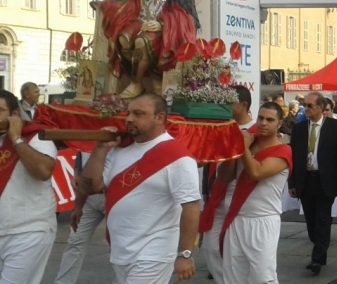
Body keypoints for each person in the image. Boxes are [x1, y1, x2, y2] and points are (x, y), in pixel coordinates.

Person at [80, 94, 201, 282]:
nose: (129, 119)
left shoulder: (178, 156)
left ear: (159, 118)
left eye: (138, 114)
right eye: (128, 113)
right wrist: (100, 149)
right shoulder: (119, 149)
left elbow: (191, 206)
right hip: (121, 250)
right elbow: (91, 186)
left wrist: (185, 254)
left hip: (154, 253)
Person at [199, 102, 292, 283]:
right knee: (233, 274)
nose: (264, 123)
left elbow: (256, 173)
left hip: (262, 220)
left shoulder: (283, 150)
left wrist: (242, 148)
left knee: (263, 277)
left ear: (279, 123)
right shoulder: (248, 145)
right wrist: (233, 152)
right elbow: (224, 178)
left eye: (270, 120)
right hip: (236, 217)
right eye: (261, 118)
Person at [288, 92, 337, 275]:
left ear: (320, 108)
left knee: (322, 220)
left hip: (326, 181)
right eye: (304, 105)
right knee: (311, 222)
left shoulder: (335, 127)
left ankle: (317, 259)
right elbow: (293, 157)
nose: (305, 109)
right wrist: (292, 182)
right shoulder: (299, 128)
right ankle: (320, 248)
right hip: (305, 181)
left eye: (309, 105)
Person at [0, 90, 57, 284]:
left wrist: (16, 139)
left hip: (28, 231)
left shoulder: (36, 136)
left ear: (14, 114)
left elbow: (43, 171)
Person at [55, 153, 107, 284]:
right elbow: (81, 152)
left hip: (114, 196)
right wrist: (77, 172)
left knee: (121, 247)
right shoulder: (92, 135)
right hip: (88, 198)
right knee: (75, 241)